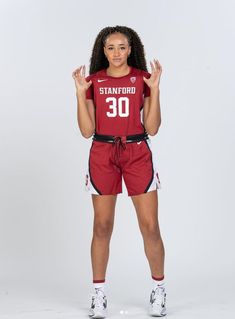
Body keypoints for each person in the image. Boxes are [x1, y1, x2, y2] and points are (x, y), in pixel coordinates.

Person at [72, 25, 166, 318]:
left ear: (131, 49)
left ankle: (159, 288)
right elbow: (87, 131)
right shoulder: (93, 82)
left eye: (122, 47)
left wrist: (155, 89)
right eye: (111, 47)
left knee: (150, 226)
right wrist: (79, 94)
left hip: (137, 152)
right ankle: (98, 294)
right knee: (102, 225)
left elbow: (152, 128)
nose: (116, 53)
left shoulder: (142, 79)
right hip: (102, 152)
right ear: (103, 50)